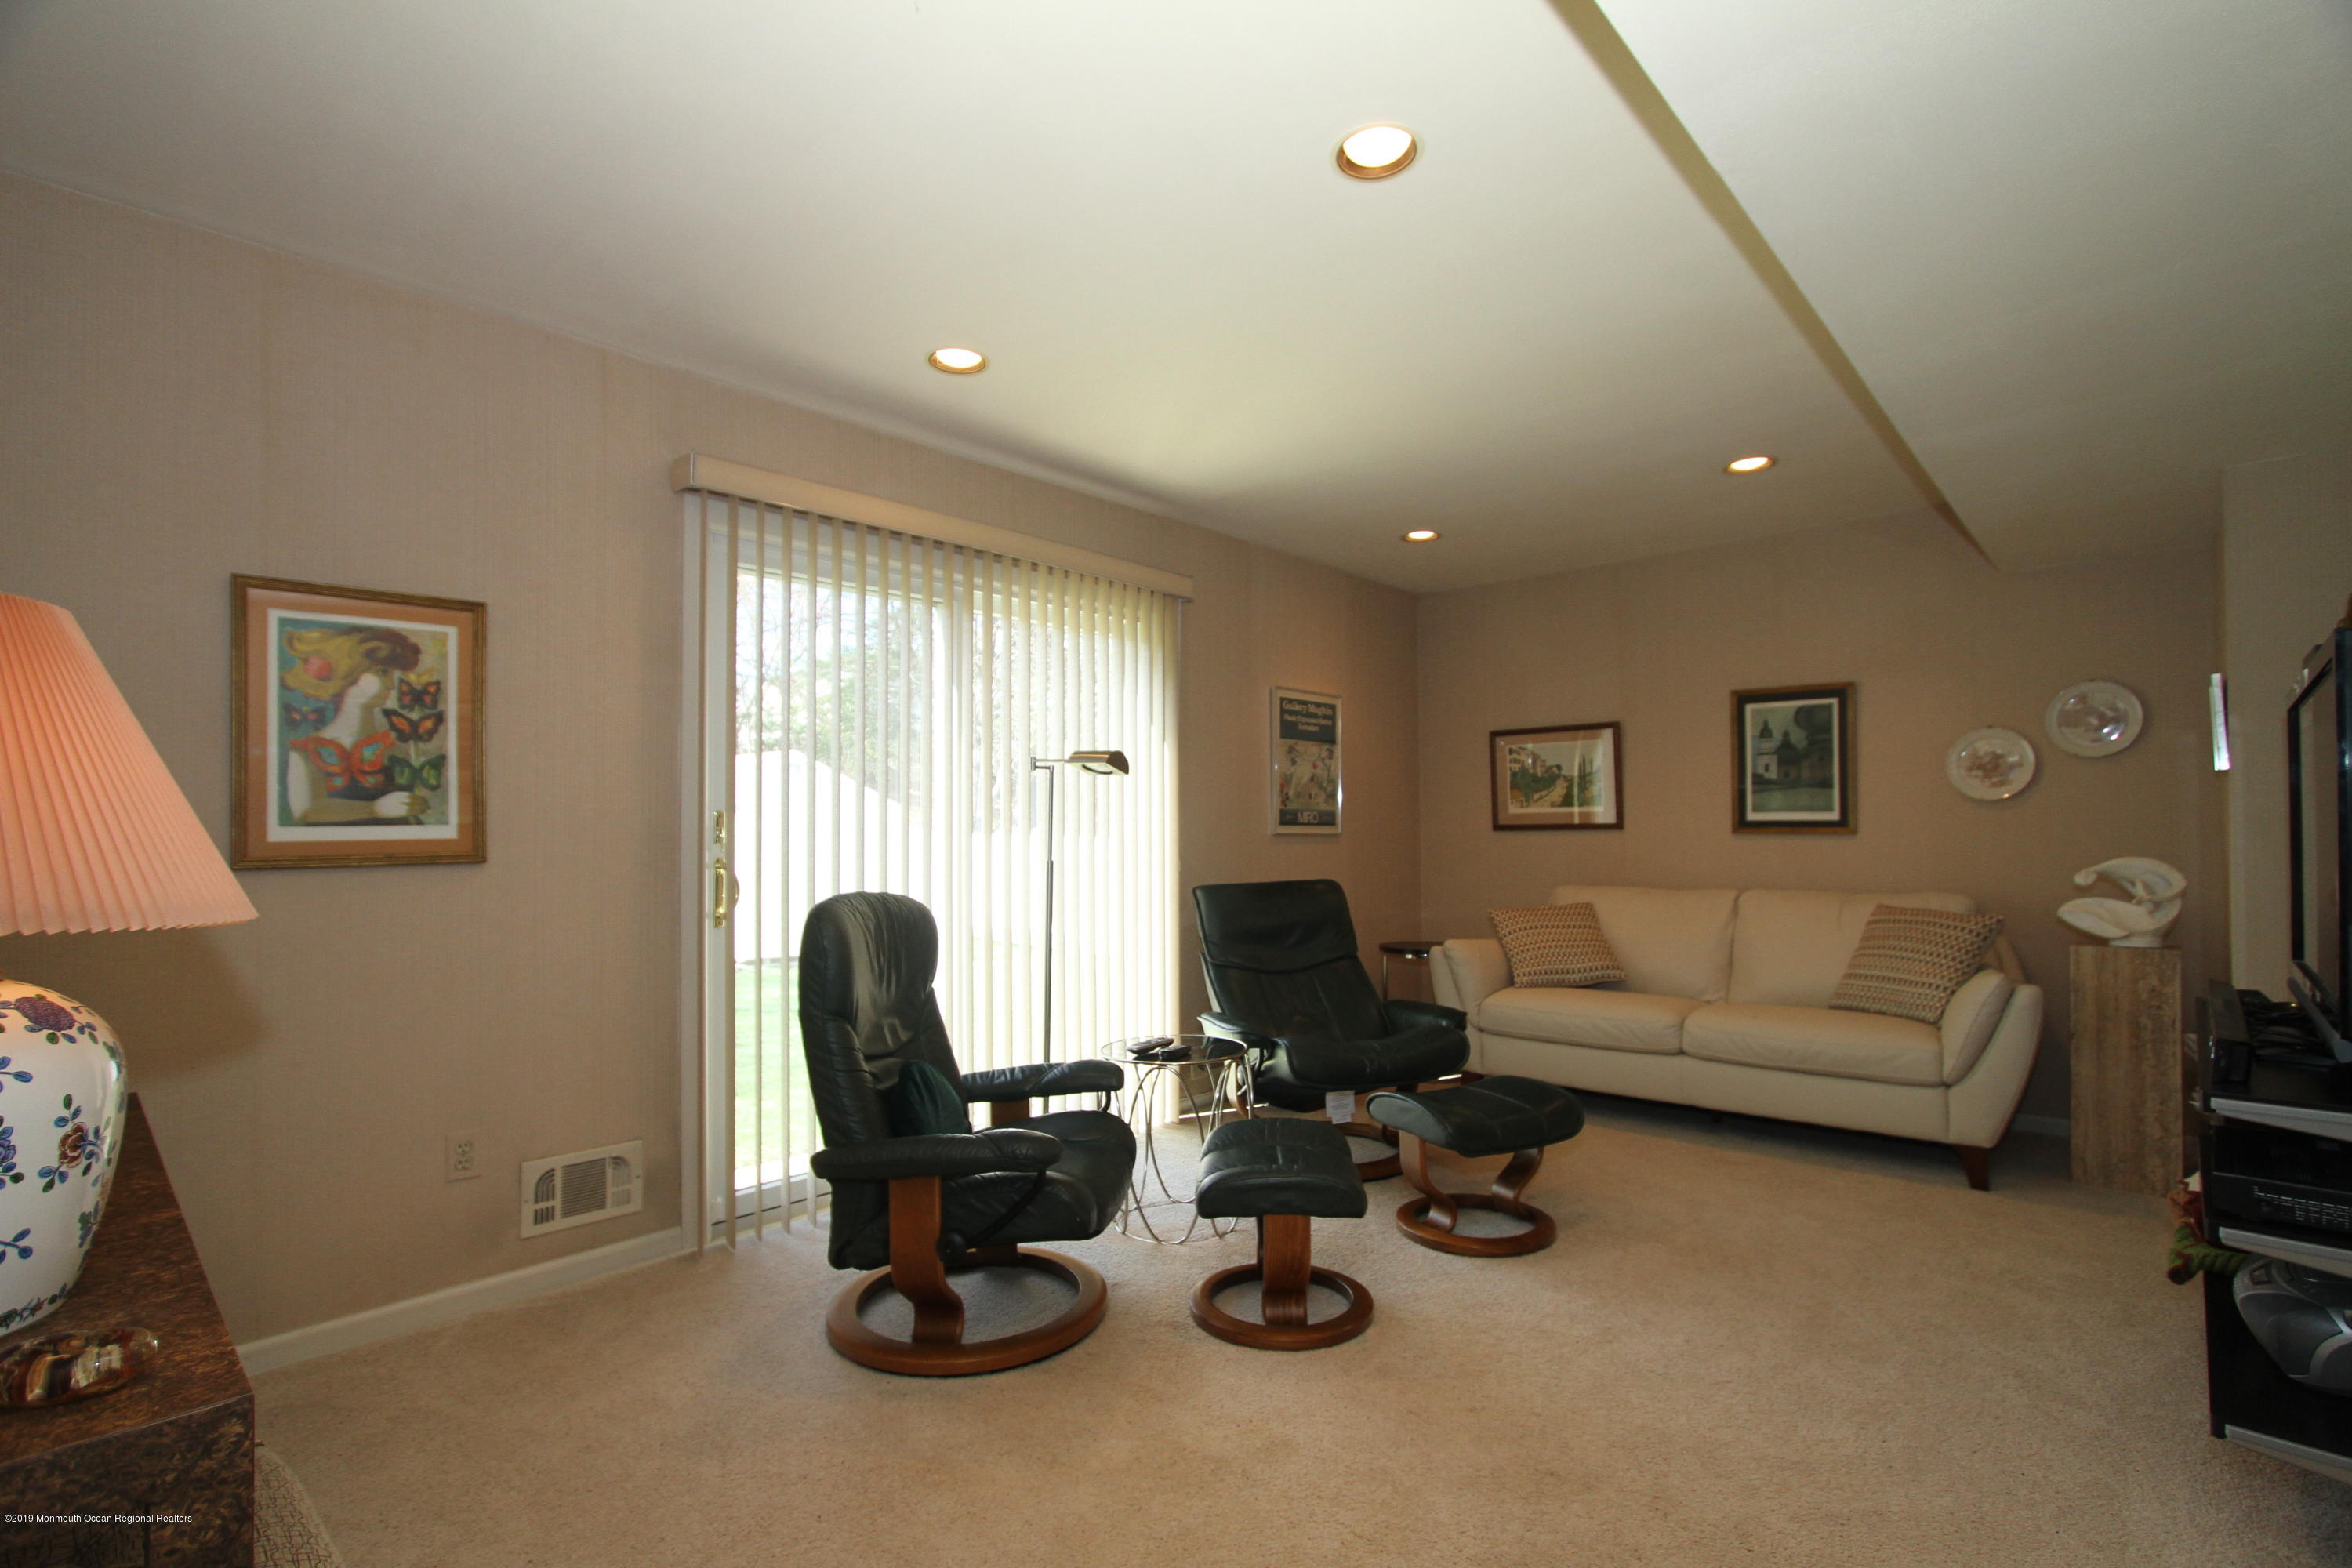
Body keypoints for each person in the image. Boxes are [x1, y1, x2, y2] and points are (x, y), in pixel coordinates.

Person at [278, 624, 426, 826]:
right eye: (383, 672)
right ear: (348, 674)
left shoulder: (394, 747)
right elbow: (305, 812)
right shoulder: (306, 750)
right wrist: (375, 809)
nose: (392, 684)